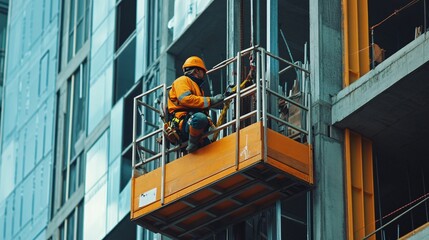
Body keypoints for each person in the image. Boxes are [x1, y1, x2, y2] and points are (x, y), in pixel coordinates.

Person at [167, 56, 224, 153]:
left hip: (194, 125)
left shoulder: (198, 88)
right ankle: (193, 143)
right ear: (197, 71)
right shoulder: (182, 81)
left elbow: (200, 104)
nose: (204, 74)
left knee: (211, 150)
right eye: (203, 71)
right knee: (200, 118)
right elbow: (186, 99)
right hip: (184, 122)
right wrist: (212, 100)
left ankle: (195, 141)